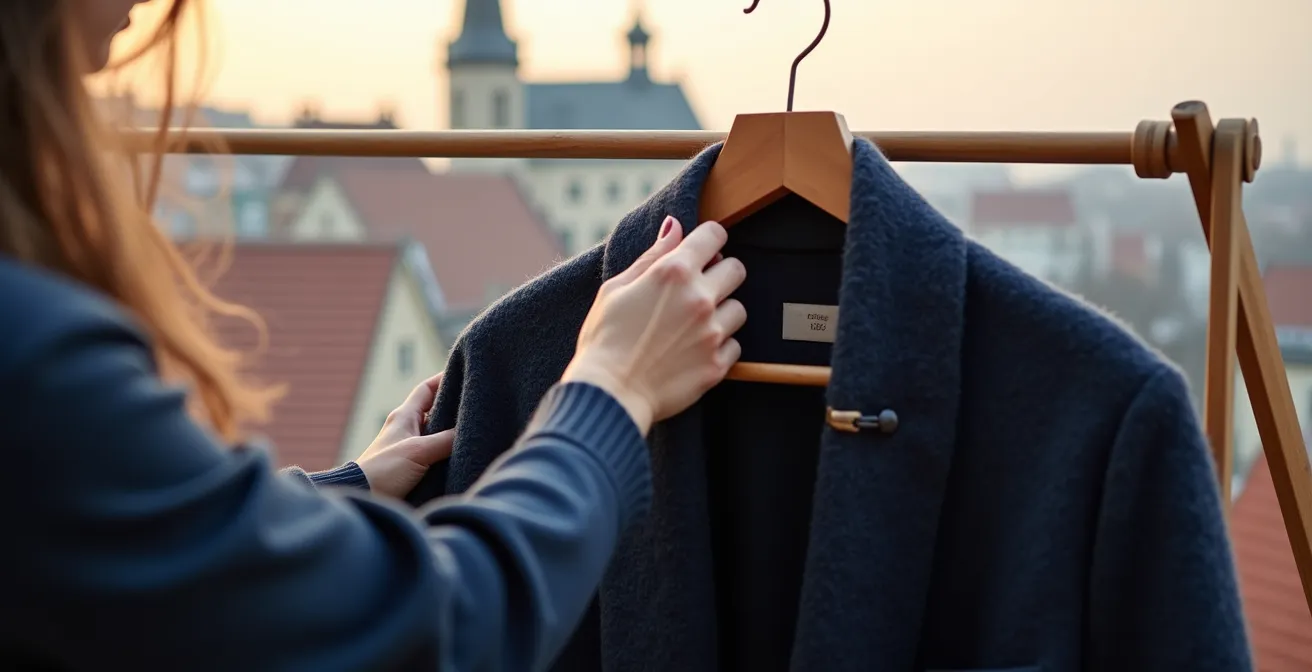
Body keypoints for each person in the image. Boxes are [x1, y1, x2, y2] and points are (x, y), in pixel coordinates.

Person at [0, 0, 748, 670]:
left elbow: (159, 547)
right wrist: (611, 387)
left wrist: (346, 489)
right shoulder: (41, 362)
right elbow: (435, 628)